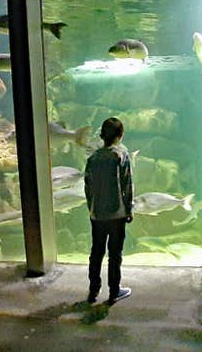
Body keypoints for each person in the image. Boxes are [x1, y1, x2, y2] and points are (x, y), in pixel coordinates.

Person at [84, 117, 134, 304]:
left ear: (102, 135)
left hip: (97, 215)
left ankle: (93, 290)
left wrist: (92, 208)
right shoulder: (121, 157)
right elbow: (127, 185)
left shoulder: (93, 159)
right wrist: (129, 209)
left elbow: (87, 187)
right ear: (120, 136)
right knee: (115, 254)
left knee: (96, 252)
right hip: (117, 214)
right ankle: (114, 290)